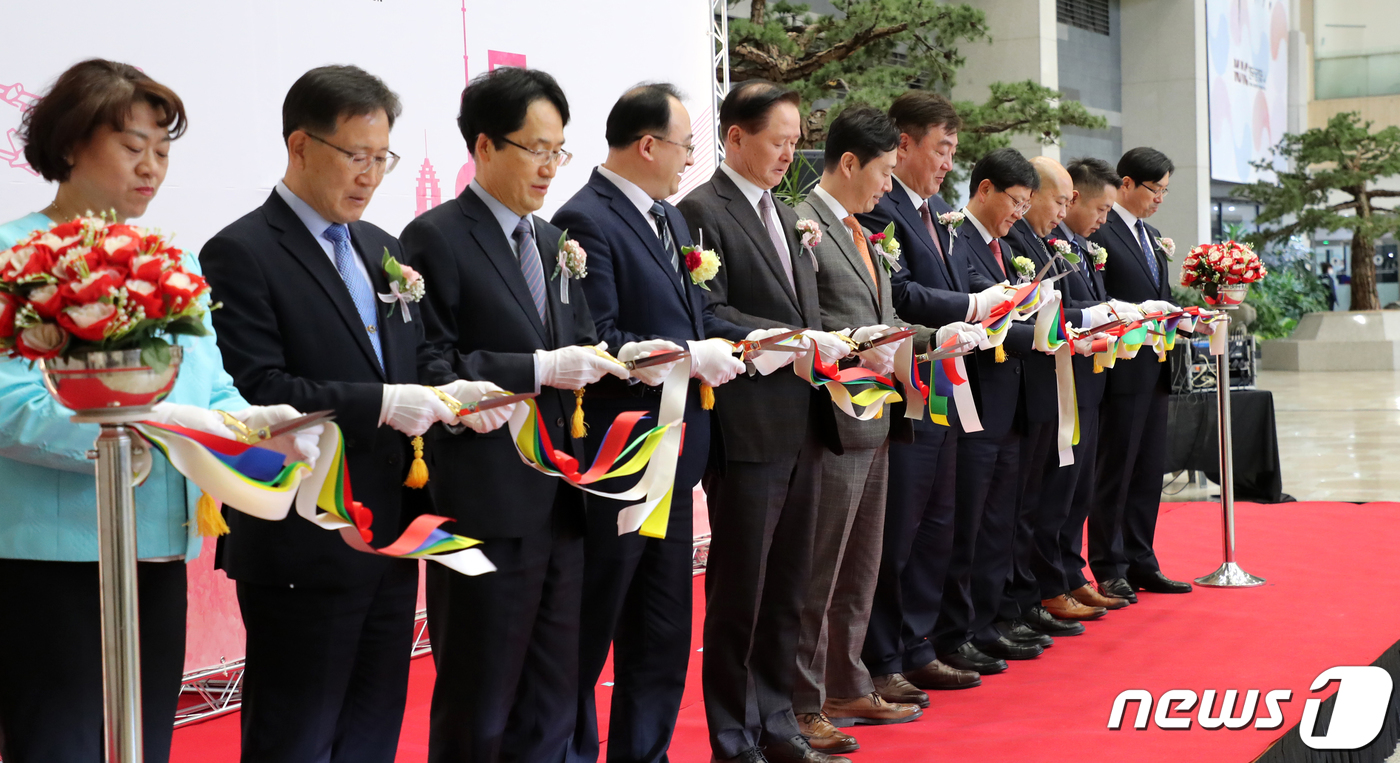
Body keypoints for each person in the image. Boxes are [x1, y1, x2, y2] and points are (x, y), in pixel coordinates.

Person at [0, 59, 317, 763]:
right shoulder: (12, 252)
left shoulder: (169, 258)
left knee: (144, 742)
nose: (152, 167)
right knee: (61, 740)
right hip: (51, 553)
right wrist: (145, 429)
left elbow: (210, 391)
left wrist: (257, 426)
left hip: (155, 543)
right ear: (72, 143)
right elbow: (7, 400)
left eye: (163, 151)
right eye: (132, 146)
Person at [201, 65, 495, 763]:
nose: (369, 176)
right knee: (296, 732)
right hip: (305, 529)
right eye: (354, 156)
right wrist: (385, 404)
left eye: (381, 158)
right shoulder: (241, 251)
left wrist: (455, 393)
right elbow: (255, 388)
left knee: (373, 721)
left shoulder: (381, 247)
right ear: (300, 146)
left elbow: (416, 354)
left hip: (391, 528)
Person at [400, 67, 653, 763]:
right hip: (482, 502)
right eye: (535, 148)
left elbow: (575, 344)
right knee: (480, 695)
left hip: (561, 501)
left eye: (558, 150)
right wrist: (536, 370)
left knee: (553, 691)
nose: (550, 166)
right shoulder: (435, 237)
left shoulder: (550, 243)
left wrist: (621, 359)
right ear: (484, 147)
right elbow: (430, 363)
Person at [550, 83, 746, 763]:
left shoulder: (671, 221)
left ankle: (646, 753)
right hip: (618, 456)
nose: (691, 159)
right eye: (688, 145)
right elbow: (600, 338)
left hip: (676, 455)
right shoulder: (586, 220)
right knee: (594, 623)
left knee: (662, 628)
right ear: (648, 145)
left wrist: (766, 342)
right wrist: (692, 355)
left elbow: (697, 319)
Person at [676, 79, 854, 763]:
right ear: (736, 137)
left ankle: (777, 717)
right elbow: (710, 315)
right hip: (748, 432)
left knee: (788, 587)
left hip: (803, 423)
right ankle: (731, 730)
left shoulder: (784, 213)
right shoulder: (701, 211)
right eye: (778, 140)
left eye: (794, 140)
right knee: (740, 589)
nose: (789, 153)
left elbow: (807, 315)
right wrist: (798, 339)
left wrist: (834, 341)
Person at [789, 106, 926, 755]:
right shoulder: (802, 225)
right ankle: (802, 697)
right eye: (883, 172)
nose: (887, 188)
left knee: (859, 566)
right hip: (831, 421)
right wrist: (851, 344)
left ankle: (846, 679)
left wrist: (946, 337)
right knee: (819, 568)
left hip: (875, 418)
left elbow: (888, 316)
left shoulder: (860, 230)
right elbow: (803, 324)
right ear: (848, 162)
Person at [856, 91, 990, 701]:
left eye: (953, 152)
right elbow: (901, 295)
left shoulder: (937, 215)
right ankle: (885, 655)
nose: (947, 163)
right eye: (940, 148)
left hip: (946, 386)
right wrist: (971, 306)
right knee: (899, 532)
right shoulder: (882, 210)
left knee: (938, 524)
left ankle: (920, 643)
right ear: (902, 145)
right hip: (904, 389)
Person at [931, 147, 1044, 672]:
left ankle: (993, 618)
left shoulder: (1006, 244)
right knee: (967, 524)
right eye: (1015, 202)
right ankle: (959, 629)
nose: (1019, 214)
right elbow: (973, 311)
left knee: (1000, 520)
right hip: (972, 400)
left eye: (1026, 204)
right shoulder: (955, 238)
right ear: (984, 190)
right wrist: (1039, 332)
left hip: (1011, 400)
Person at [998, 157, 1108, 633]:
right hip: (1031, 383)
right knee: (1032, 502)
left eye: (1068, 202)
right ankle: (1034, 590)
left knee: (1066, 492)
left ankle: (1054, 579)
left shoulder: (1051, 240)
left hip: (1067, 376)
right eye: (1058, 200)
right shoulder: (1018, 238)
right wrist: (1096, 315)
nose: (1064, 211)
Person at [1086, 147, 1192, 601]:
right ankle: (1109, 564)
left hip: (1156, 368)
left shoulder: (1153, 236)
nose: (1159, 199)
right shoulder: (1100, 232)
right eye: (1155, 189)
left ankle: (1141, 558)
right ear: (1125, 183)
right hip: (1119, 370)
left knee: (1149, 471)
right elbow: (1099, 298)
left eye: (1165, 191)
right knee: (1116, 469)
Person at [1029, 157, 1131, 619]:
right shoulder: (1045, 244)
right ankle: (1051, 583)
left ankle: (1070, 573)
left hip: (1089, 380)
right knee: (1054, 492)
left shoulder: (1081, 245)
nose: (1103, 220)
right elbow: (1061, 312)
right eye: (1099, 209)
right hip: (1058, 382)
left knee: (1078, 490)